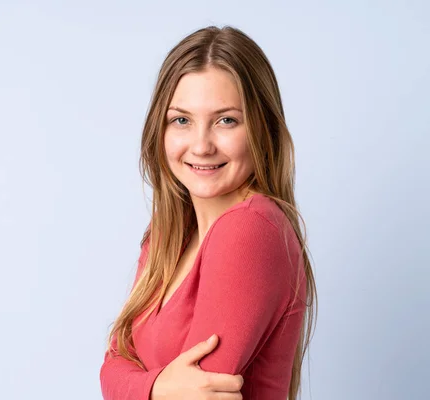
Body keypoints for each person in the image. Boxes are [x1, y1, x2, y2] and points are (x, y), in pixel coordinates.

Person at [99, 25, 317, 400]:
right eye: (181, 120)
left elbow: (195, 393)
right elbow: (111, 366)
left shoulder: (249, 228)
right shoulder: (167, 234)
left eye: (226, 120)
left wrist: (137, 386)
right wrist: (155, 389)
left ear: (261, 128)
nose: (201, 145)